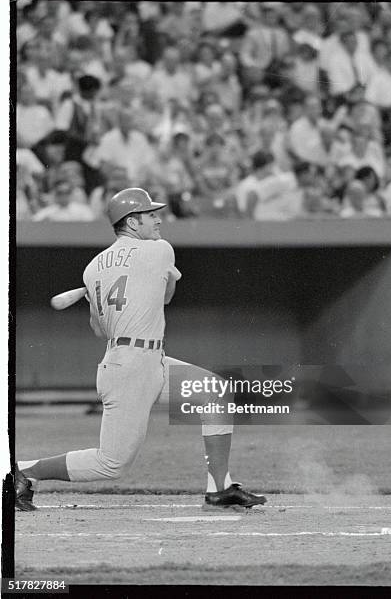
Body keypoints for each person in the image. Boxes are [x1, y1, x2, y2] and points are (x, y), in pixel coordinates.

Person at [16, 187, 266, 511]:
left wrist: (96, 298)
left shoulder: (92, 269)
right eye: (151, 215)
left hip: (142, 360)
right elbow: (166, 297)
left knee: (214, 392)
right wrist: (168, 276)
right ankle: (22, 470)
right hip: (131, 368)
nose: (158, 220)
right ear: (132, 223)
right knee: (112, 464)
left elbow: (99, 329)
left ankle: (219, 488)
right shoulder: (159, 250)